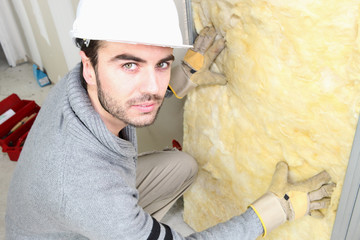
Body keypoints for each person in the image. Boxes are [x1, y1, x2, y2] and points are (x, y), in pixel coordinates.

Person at [5, 0, 335, 239]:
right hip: (71, 222)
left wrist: (184, 76)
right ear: (89, 65)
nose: (152, 87)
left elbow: (132, 96)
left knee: (182, 167)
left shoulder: (79, 84)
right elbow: (92, 195)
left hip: (76, 209)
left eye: (161, 64)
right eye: (129, 65)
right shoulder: (85, 189)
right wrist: (274, 211)